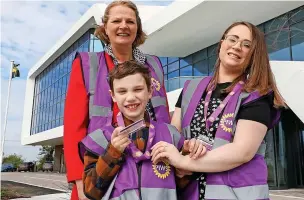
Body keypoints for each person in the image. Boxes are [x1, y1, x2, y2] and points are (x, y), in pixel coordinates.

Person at [151, 21, 285, 200]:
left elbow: (242, 151)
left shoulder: (257, 95)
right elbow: (174, 135)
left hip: (236, 193)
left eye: (246, 45)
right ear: (221, 43)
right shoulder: (191, 88)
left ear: (254, 55)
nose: (237, 47)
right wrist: (184, 149)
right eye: (233, 39)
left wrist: (184, 162)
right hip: (191, 191)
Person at [63, 1, 170, 199]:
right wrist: (80, 181)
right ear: (105, 27)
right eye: (116, 20)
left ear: (137, 27)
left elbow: (164, 118)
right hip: (103, 169)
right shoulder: (88, 64)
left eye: (130, 21)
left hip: (151, 171)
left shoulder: (154, 65)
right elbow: (73, 127)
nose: (123, 26)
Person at [78, 61, 206, 200]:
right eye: (122, 91)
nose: (131, 97)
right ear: (113, 95)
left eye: (138, 89)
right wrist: (112, 153)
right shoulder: (99, 140)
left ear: (150, 91)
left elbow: (182, 187)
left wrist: (186, 161)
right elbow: (90, 191)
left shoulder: (171, 135)